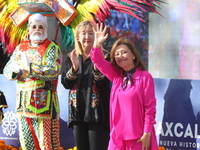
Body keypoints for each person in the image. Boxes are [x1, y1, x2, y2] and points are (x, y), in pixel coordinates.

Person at [90, 23, 158, 150]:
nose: (120, 56)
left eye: (124, 52)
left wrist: (147, 133)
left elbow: (150, 108)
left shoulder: (145, 77)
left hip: (139, 137)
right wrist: (97, 44)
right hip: (117, 137)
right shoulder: (116, 76)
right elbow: (97, 60)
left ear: (133, 55)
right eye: (117, 54)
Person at [3, 13, 62, 150]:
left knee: (46, 144)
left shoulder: (52, 48)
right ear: (29, 29)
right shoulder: (20, 47)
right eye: (34, 26)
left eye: (40, 27)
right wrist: (15, 69)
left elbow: (53, 71)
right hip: (23, 104)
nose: (37, 29)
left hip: (43, 103)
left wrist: (30, 67)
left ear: (45, 29)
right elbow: (7, 70)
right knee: (27, 143)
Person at [61, 20, 110, 150]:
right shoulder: (71, 56)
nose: (87, 37)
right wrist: (75, 69)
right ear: (77, 37)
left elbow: (105, 85)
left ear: (96, 36)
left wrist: (97, 67)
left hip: (97, 114)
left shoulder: (104, 57)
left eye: (90, 33)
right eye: (83, 33)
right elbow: (66, 84)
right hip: (77, 113)